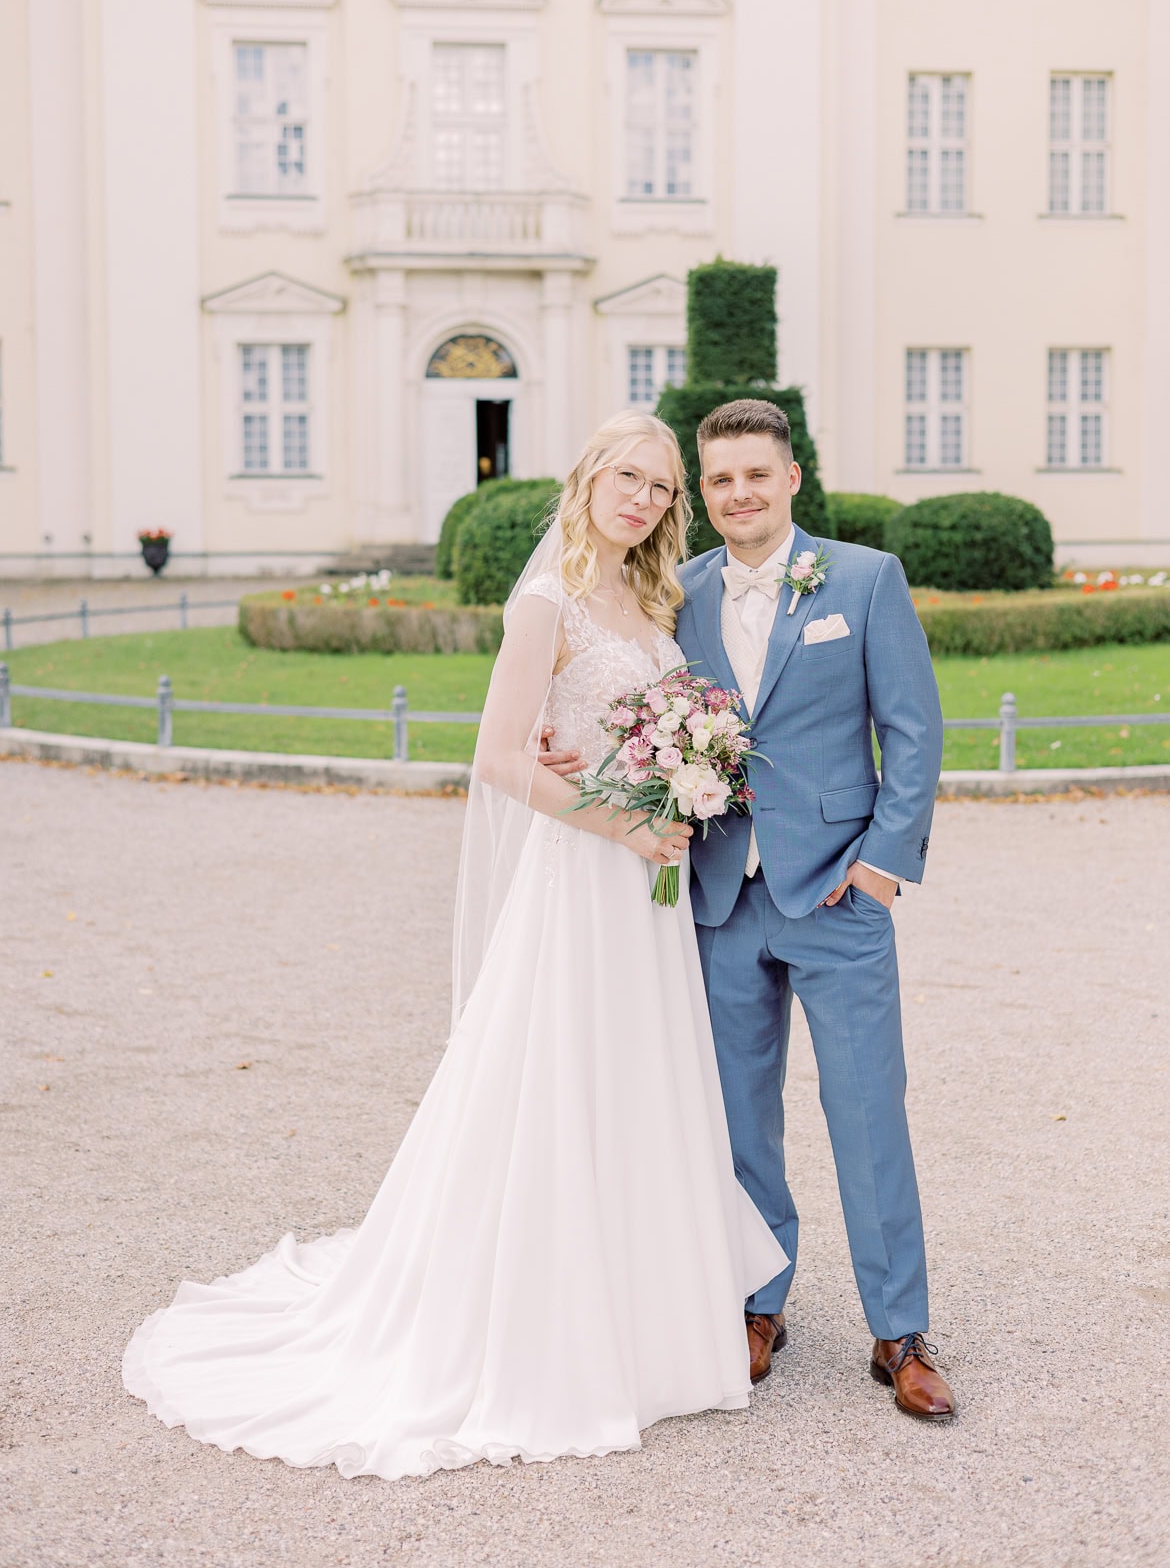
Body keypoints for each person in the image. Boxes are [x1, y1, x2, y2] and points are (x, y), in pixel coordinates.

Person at [122, 412, 786, 1482]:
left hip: (646, 887)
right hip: (584, 879)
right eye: (631, 477)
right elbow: (494, 758)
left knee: (638, 1083)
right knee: (559, 1082)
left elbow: (614, 736)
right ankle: (551, 1316)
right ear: (588, 479)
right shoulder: (548, 602)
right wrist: (624, 819)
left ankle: (643, 1306)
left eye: (664, 490)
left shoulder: (648, 600)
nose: (647, 500)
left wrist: (674, 786)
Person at [673, 398, 954, 1418]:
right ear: (703, 496)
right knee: (736, 1115)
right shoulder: (682, 592)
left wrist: (883, 865)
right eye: (720, 480)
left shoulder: (865, 579)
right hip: (720, 894)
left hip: (838, 890)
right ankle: (758, 1302)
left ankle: (900, 1332)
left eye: (756, 474)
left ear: (793, 477)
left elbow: (912, 730)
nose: (739, 493)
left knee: (867, 1109)